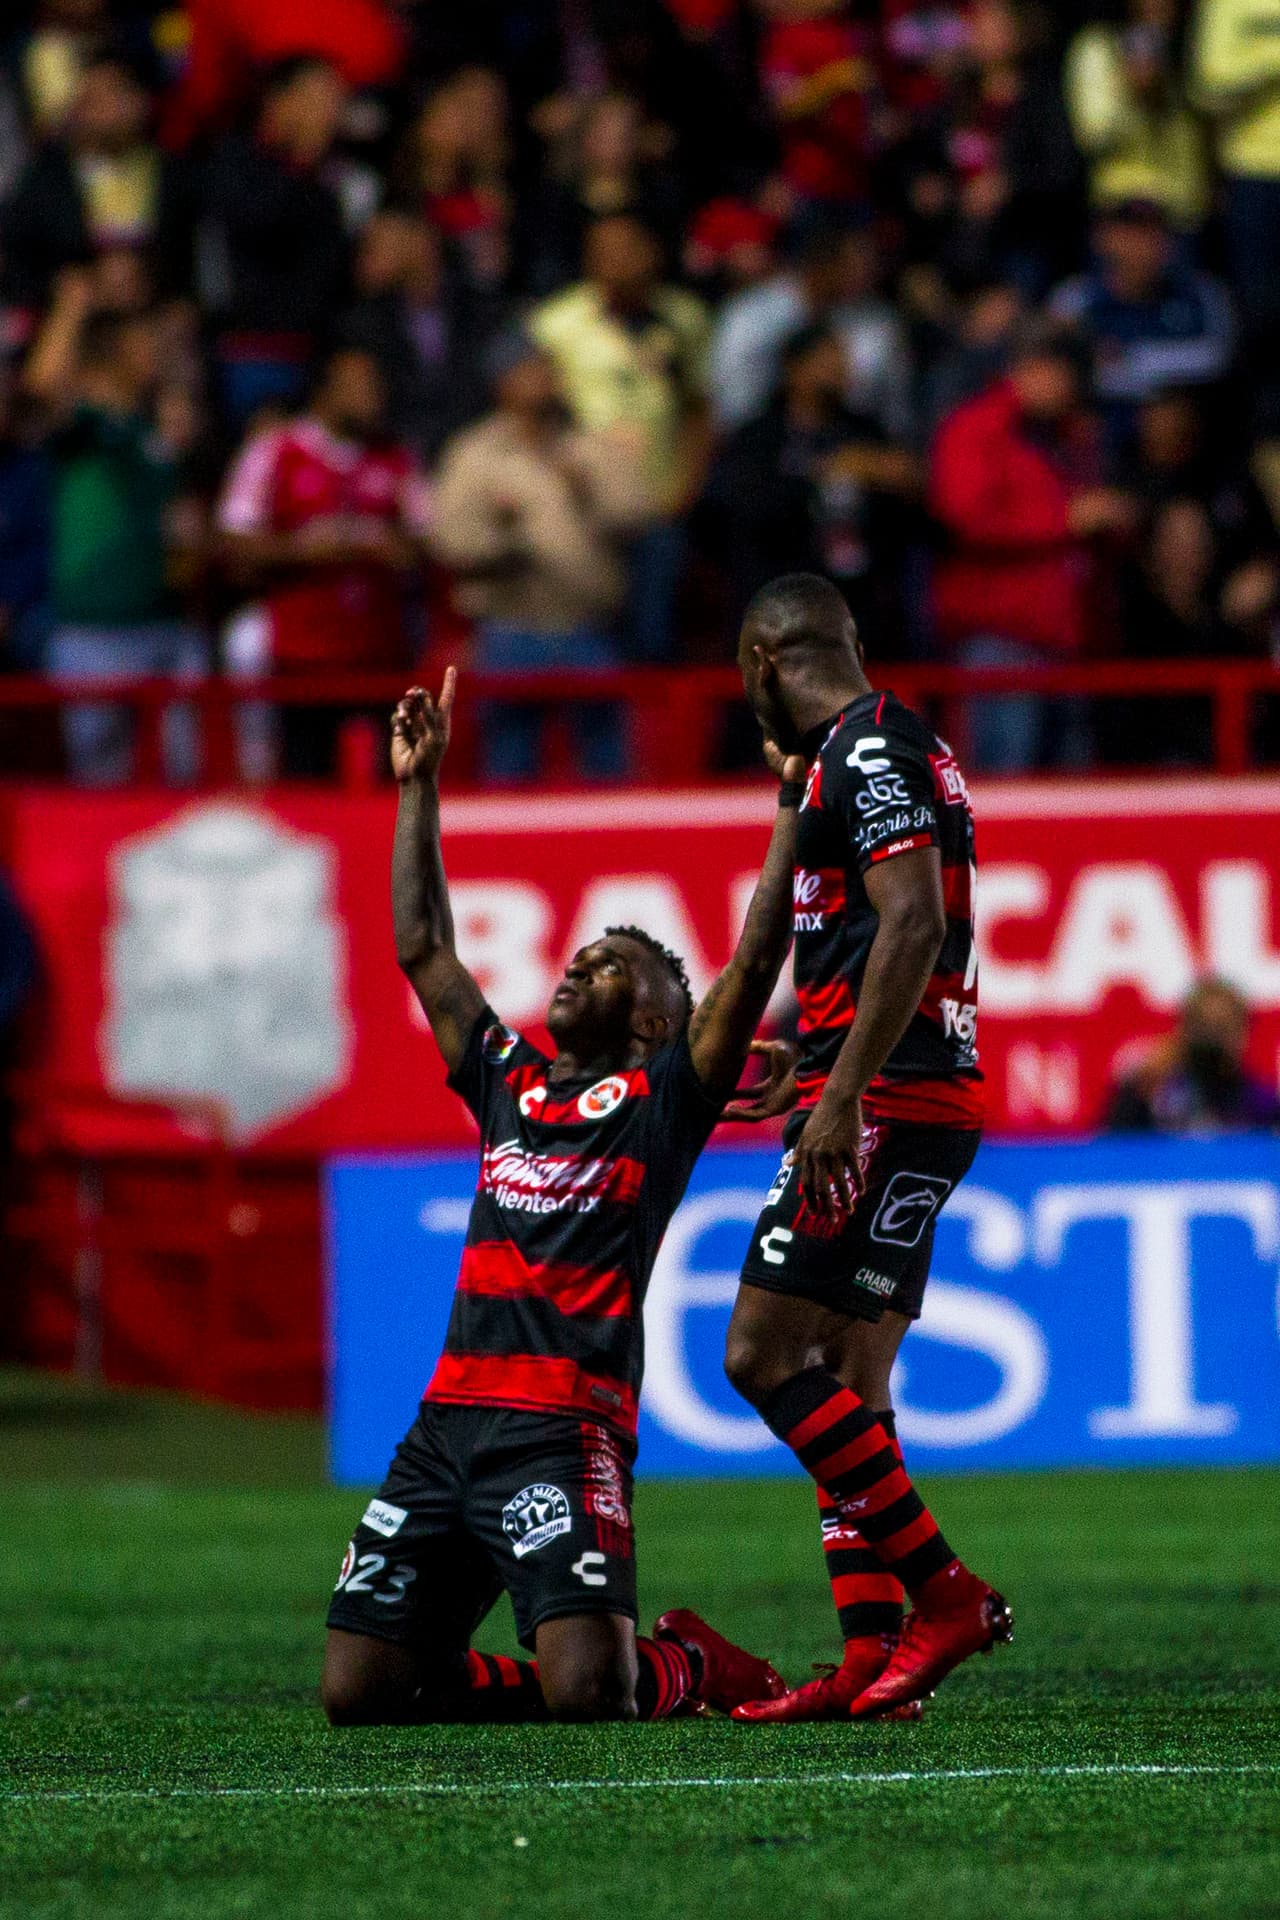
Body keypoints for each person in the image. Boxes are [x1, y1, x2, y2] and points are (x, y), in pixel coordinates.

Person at [321, 669, 801, 1725]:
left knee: (593, 1696)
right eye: (583, 954)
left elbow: (753, 959)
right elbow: (423, 950)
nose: (583, 965)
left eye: (615, 967)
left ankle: (681, 1664)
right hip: (446, 1427)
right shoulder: (507, 1078)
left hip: (560, 1432)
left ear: (655, 1026)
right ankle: (598, 1667)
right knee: (359, 1693)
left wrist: (789, 809)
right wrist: (419, 787)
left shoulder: (661, 1099)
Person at [717, 572, 1010, 1724]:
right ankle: (868, 1656)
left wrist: (840, 1094)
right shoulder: (878, 750)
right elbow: (871, 938)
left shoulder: (870, 751)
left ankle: (941, 1594)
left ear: (760, 663)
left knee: (757, 1354)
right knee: (851, 1377)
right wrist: (820, 1049)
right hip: (911, 1093)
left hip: (885, 1103)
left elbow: (915, 921)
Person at [431, 334, 654, 781]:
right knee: (509, 763)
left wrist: (586, 489)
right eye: (528, 371)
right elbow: (449, 540)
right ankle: (505, 852)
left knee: (607, 764)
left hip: (588, 626)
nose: (542, 380)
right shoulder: (475, 454)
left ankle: (615, 849)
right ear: (502, 383)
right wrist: (504, 540)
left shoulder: (589, 445)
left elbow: (640, 513)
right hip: (510, 627)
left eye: (546, 369)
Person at [928, 319, 1133, 772]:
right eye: (1061, 372)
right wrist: (1066, 520)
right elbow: (966, 518)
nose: (1069, 386)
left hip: (1068, 634)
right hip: (1000, 636)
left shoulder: (1071, 434)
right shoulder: (974, 428)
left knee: (1072, 784)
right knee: (1006, 778)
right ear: (1029, 367)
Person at [25, 273, 206, 786]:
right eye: (146, 340)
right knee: (98, 785)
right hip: (94, 632)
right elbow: (39, 391)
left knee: (181, 782)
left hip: (166, 627)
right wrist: (72, 305)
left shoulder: (153, 432)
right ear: (119, 350)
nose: (156, 350)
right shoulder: (81, 427)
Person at [217, 345, 430, 778]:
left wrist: (385, 546)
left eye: (376, 386)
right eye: (359, 386)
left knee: (390, 788)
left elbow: (426, 541)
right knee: (306, 779)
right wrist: (304, 549)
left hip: (379, 655)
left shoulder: (396, 457)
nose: (373, 397)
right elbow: (233, 541)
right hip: (302, 656)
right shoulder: (275, 451)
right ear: (324, 392)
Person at [529, 211, 711, 663]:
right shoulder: (557, 323)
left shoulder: (683, 319)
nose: (616, 263)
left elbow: (699, 411)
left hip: (658, 507)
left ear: (652, 254)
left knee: (653, 640)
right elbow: (537, 410)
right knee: (585, 644)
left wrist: (685, 489)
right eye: (602, 253)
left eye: (627, 250)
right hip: (585, 509)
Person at [201, 56, 351, 428]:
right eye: (318, 100)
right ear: (278, 100)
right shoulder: (232, 160)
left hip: (315, 356)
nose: (331, 114)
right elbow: (257, 225)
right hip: (249, 354)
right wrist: (303, 160)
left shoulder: (329, 177)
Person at [1049, 201, 1235, 455]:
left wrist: (1132, 361)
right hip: (1101, 420)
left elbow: (1218, 355)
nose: (1141, 246)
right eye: (1129, 234)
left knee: (1170, 418)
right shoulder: (1075, 298)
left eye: (1152, 234)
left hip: (1182, 429)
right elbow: (1059, 368)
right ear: (1102, 238)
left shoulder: (1200, 293)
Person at [1106, 977, 1280, 1133]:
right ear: (1182, 1030)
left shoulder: (1262, 1103)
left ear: (1245, 1032)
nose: (1214, 1038)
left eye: (1223, 1027)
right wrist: (1140, 1091)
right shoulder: (1152, 1093)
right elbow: (1117, 1152)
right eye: (1205, 1026)